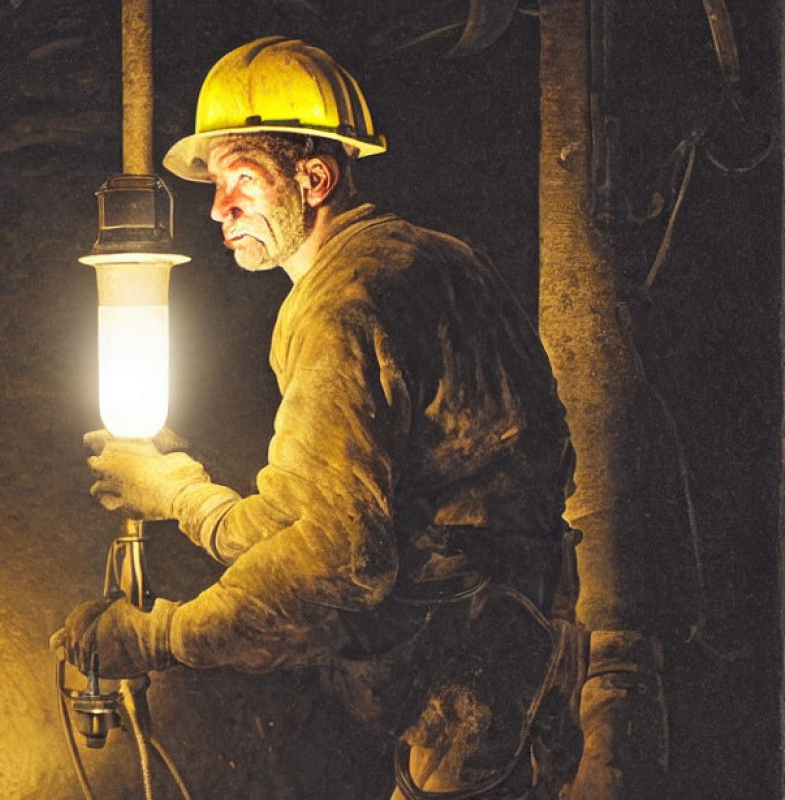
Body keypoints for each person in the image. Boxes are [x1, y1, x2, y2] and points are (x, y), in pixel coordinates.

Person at [54, 36, 586, 799]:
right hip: (516, 672)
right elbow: (317, 515)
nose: (217, 208)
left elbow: (340, 558)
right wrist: (179, 494)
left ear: (313, 178)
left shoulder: (344, 306)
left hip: (471, 692)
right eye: (212, 185)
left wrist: (160, 636)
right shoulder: (430, 258)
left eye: (241, 180)